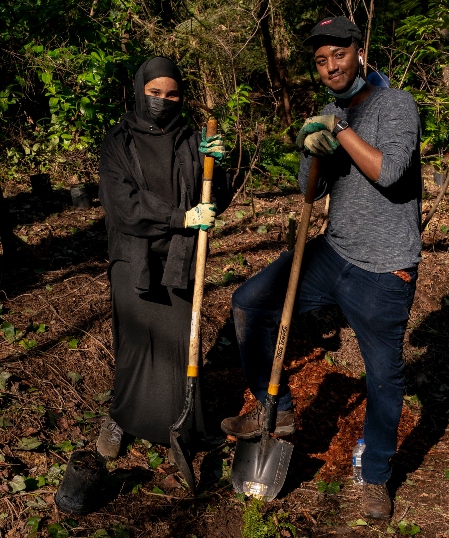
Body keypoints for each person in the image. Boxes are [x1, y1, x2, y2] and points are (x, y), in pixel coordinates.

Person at [221, 16, 422, 519]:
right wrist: (309, 153)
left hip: (384, 268)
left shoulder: (396, 104)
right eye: (320, 61)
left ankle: (376, 475)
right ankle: (278, 410)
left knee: (384, 377)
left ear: (359, 52)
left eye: (339, 55)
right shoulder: (328, 114)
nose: (330, 66)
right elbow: (310, 193)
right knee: (249, 303)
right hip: (332, 253)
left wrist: (341, 128)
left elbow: (390, 172)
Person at [97, 57, 229, 460]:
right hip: (133, 256)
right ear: (139, 92)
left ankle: (180, 427)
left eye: (172, 94)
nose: (162, 101)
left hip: (178, 257)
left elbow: (211, 201)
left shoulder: (191, 140)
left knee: (177, 346)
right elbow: (122, 206)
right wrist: (179, 217)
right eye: (154, 93)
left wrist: (216, 168)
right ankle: (121, 417)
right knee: (135, 345)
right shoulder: (117, 141)